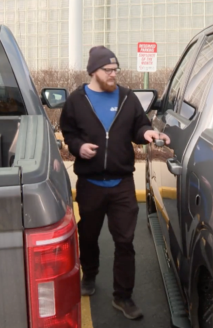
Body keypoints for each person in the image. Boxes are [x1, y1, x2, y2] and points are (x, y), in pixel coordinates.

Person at [60, 46, 170, 320]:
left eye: (115, 70)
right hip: (90, 183)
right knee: (88, 235)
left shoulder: (127, 98)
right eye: (108, 70)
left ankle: (123, 296)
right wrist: (78, 147)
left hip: (121, 183)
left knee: (125, 241)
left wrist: (148, 133)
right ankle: (90, 275)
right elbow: (68, 132)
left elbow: (139, 126)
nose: (113, 74)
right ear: (93, 72)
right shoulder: (76, 100)